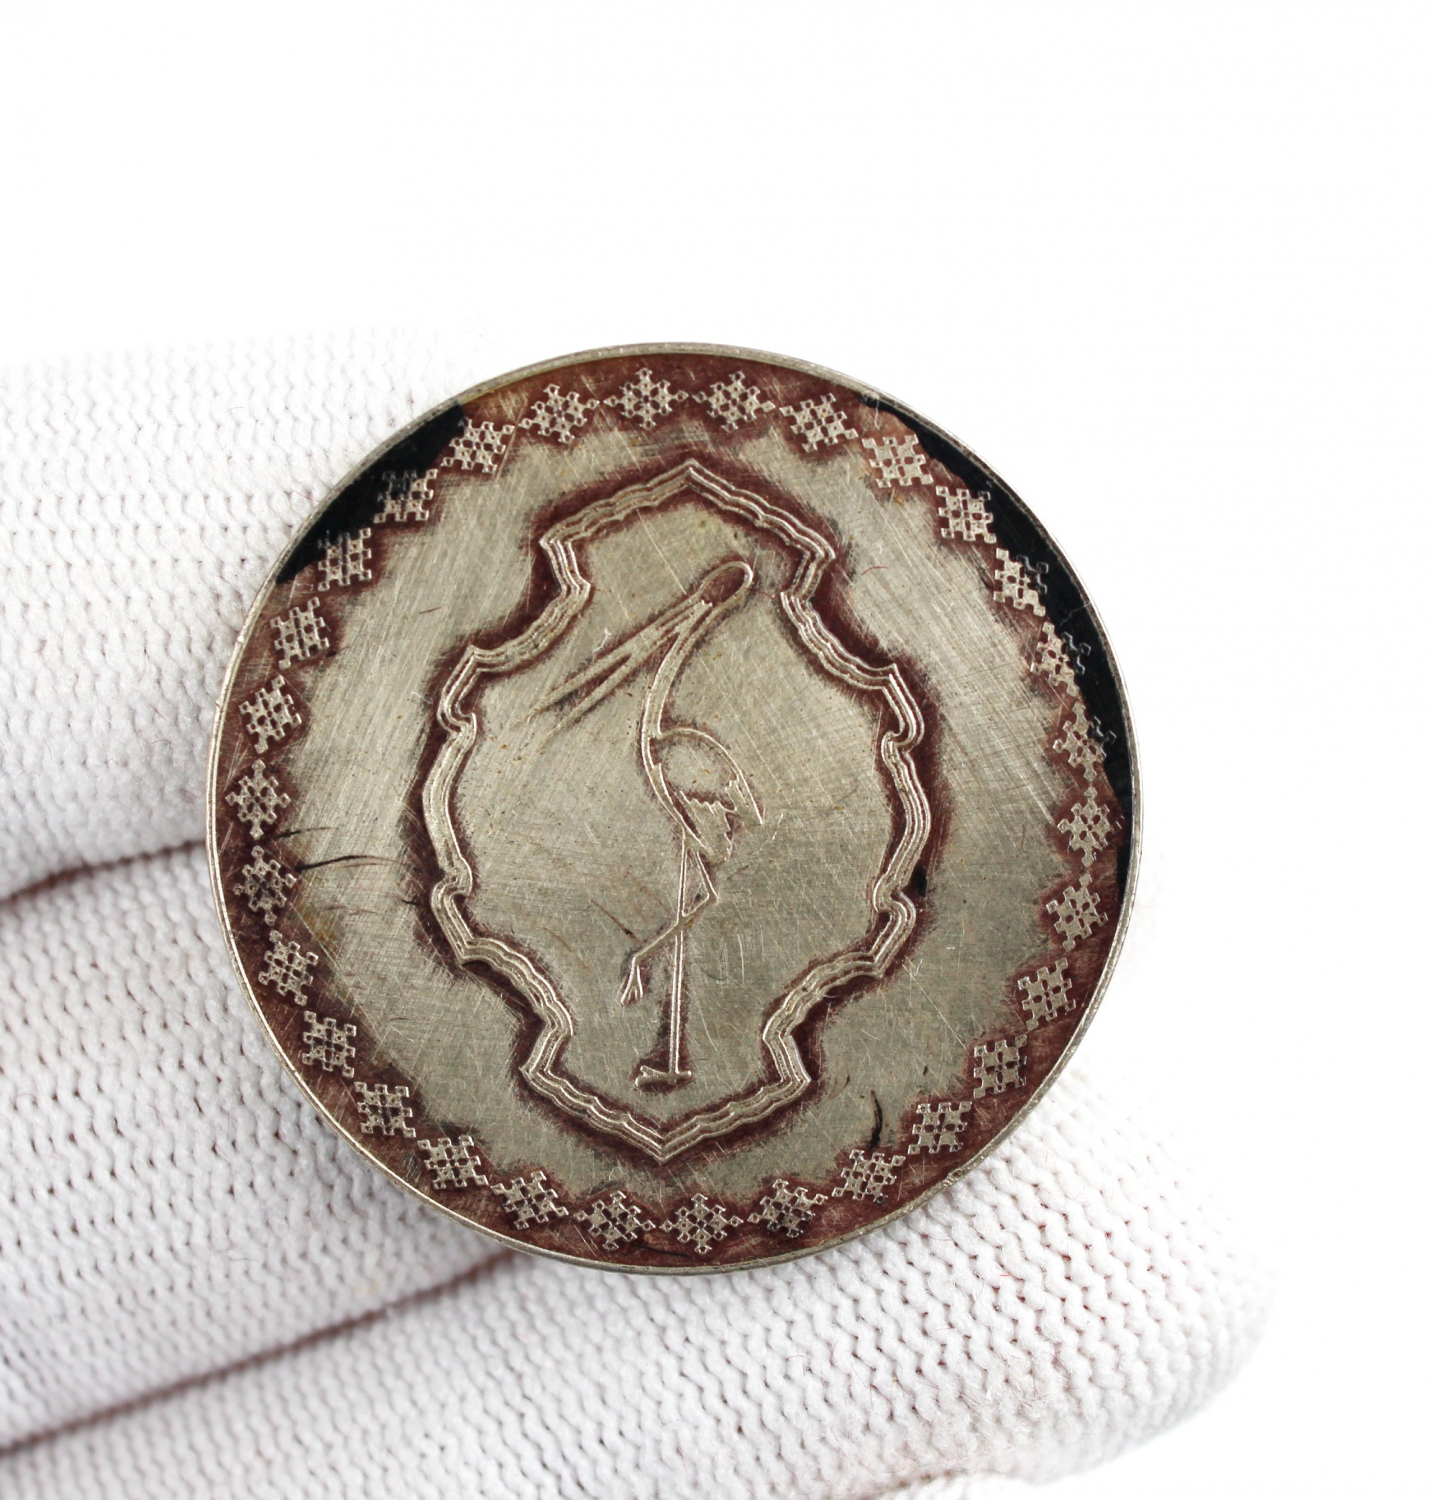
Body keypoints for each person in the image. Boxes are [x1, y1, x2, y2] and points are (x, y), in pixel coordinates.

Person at [0, 333, 1269, 1498]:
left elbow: (706, 791)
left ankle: (667, 998)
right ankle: (658, 993)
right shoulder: (609, 735)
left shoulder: (712, 761)